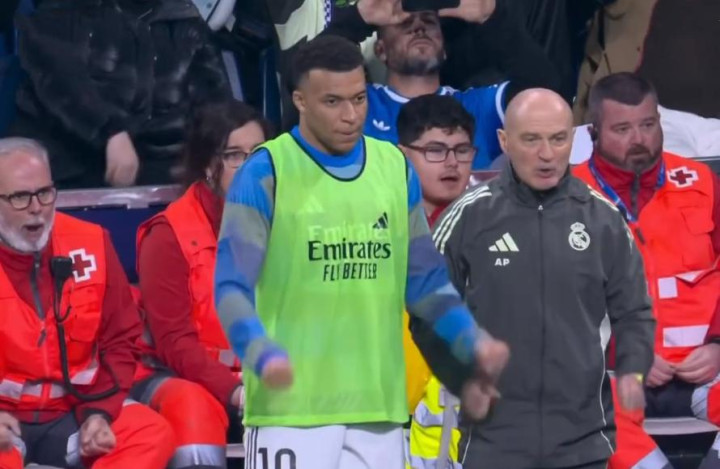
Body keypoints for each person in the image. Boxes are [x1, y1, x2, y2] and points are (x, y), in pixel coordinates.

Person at [213, 35, 509, 469]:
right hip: (292, 410)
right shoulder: (265, 171)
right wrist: (257, 348)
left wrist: (469, 340)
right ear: (300, 101)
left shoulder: (394, 167)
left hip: (378, 408)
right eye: (333, 102)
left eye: (358, 99)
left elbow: (425, 280)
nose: (351, 116)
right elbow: (231, 285)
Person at [416, 88, 656, 469]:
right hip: (493, 445)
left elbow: (635, 312)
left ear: (572, 140)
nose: (547, 154)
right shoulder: (467, 218)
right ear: (504, 141)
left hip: (583, 444)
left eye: (558, 139)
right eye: (531, 140)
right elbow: (427, 309)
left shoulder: (604, 220)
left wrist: (633, 369)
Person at [572, 72, 720, 469]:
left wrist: (718, 345)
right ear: (593, 132)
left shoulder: (702, 183)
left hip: (706, 370)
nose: (639, 139)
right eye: (622, 129)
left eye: (648, 124)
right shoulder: (565, 198)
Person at [0, 137, 174, 469]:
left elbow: (121, 340)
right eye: (20, 197)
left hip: (75, 413)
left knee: (149, 433)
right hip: (5, 425)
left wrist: (100, 414)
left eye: (44, 192)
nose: (37, 207)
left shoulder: (90, 243)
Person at [131, 101, 273, 469]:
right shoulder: (168, 235)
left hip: (262, 373)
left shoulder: (289, 222)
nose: (251, 168)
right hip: (180, 375)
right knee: (193, 411)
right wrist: (236, 391)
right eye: (235, 156)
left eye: (259, 154)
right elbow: (174, 342)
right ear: (209, 165)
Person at [11, 0, 231, 188]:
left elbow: (216, 101)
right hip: (76, 166)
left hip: (165, 168)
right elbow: (63, 79)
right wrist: (111, 132)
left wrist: (217, 151)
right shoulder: (63, 11)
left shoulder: (185, 20)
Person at [322, 0, 562, 170]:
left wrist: (492, 17)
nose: (419, 28)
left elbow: (544, 89)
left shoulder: (477, 106)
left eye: (429, 21)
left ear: (444, 49)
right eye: (404, 23)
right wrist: (359, 18)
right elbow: (308, 81)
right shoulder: (360, 106)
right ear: (380, 50)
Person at [396, 94, 474, 468]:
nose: (451, 162)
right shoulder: (377, 229)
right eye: (436, 150)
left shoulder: (498, 225)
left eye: (461, 150)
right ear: (402, 155)